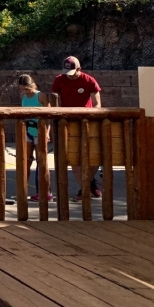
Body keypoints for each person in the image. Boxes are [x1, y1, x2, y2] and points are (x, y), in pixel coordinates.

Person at [51, 56, 103, 200]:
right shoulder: (59, 80)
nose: (69, 76)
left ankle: (89, 183)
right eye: (66, 72)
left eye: (72, 72)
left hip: (87, 122)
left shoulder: (89, 80)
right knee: (73, 157)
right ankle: (85, 189)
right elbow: (55, 100)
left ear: (79, 69)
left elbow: (97, 103)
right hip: (68, 123)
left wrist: (91, 116)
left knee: (94, 156)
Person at [18, 74, 52, 202]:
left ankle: (45, 192)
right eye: (21, 89)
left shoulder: (41, 96)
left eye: (26, 89)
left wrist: (47, 132)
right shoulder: (23, 97)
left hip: (40, 130)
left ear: (32, 85)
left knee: (41, 162)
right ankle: (23, 190)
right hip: (28, 130)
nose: (24, 92)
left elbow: (49, 115)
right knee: (26, 160)